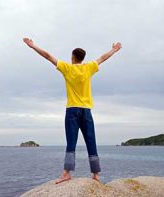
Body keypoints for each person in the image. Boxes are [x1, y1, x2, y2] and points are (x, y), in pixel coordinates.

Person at [23, 38, 122, 184]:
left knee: (71, 142)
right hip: (86, 110)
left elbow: (48, 56)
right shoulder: (89, 68)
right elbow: (102, 58)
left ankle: (67, 173)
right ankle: (96, 174)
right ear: (83, 58)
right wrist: (114, 49)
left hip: (72, 110)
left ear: (73, 57)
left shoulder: (67, 68)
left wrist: (32, 46)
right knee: (91, 141)